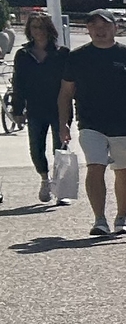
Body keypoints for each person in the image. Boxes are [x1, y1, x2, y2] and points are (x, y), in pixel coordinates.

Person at [57, 10, 126, 237]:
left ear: (115, 27)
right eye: (93, 26)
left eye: (104, 25)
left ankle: (122, 218)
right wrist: (63, 124)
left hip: (125, 123)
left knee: (123, 171)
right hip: (90, 123)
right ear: (88, 30)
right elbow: (65, 93)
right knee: (95, 167)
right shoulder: (77, 57)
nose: (99, 30)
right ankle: (99, 220)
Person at [11, 11, 70, 205]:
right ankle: (45, 179)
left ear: (50, 29)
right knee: (36, 148)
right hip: (35, 108)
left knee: (60, 148)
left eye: (42, 27)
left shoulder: (62, 53)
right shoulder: (23, 54)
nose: (39, 32)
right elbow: (18, 84)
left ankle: (61, 188)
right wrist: (17, 110)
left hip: (60, 107)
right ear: (29, 30)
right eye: (35, 27)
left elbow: (71, 83)